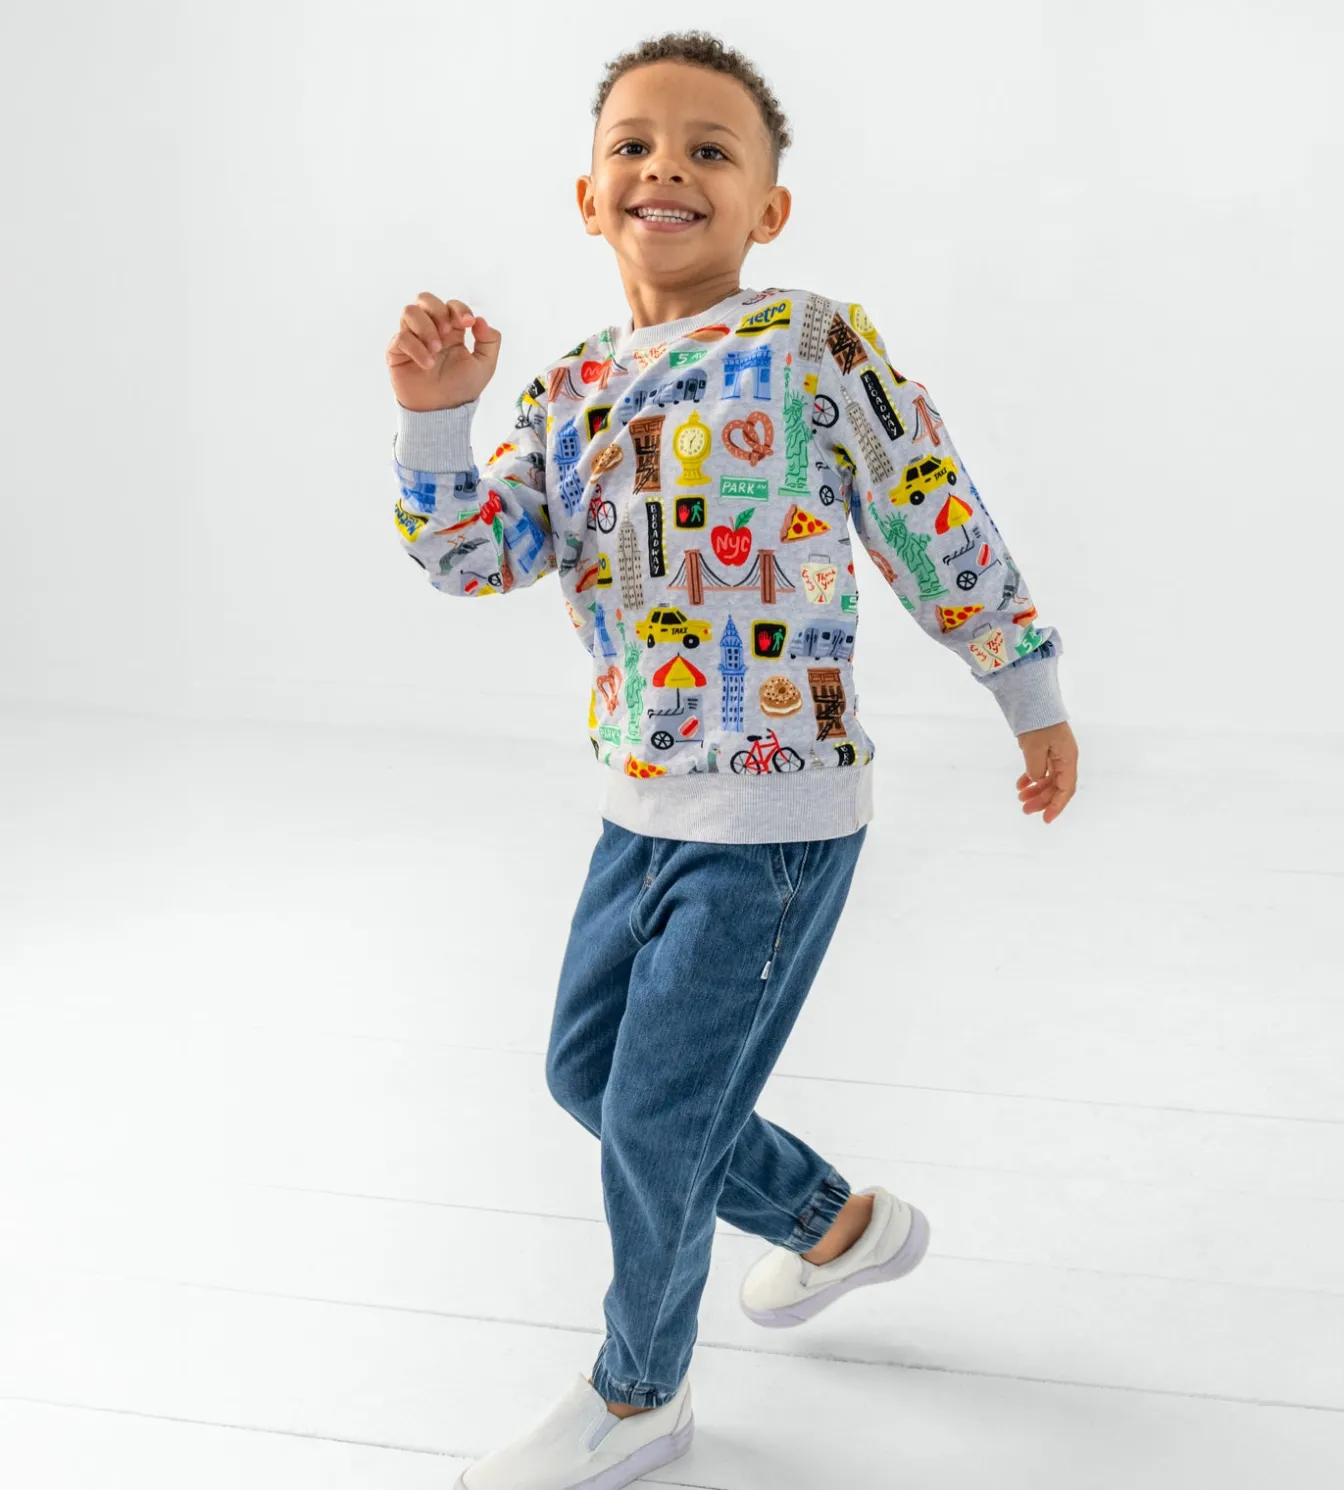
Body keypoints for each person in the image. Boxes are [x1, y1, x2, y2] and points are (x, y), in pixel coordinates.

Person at [385, 29, 1079, 1490]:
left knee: (652, 1120)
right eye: (634, 145)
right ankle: (837, 1226)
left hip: (777, 813)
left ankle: (638, 1393)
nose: (668, 169)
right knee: (589, 1075)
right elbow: (471, 556)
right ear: (588, 197)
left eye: (711, 150)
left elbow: (931, 513)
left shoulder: (810, 343)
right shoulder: (571, 388)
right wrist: (436, 417)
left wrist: (1025, 688)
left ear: (769, 206)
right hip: (637, 803)